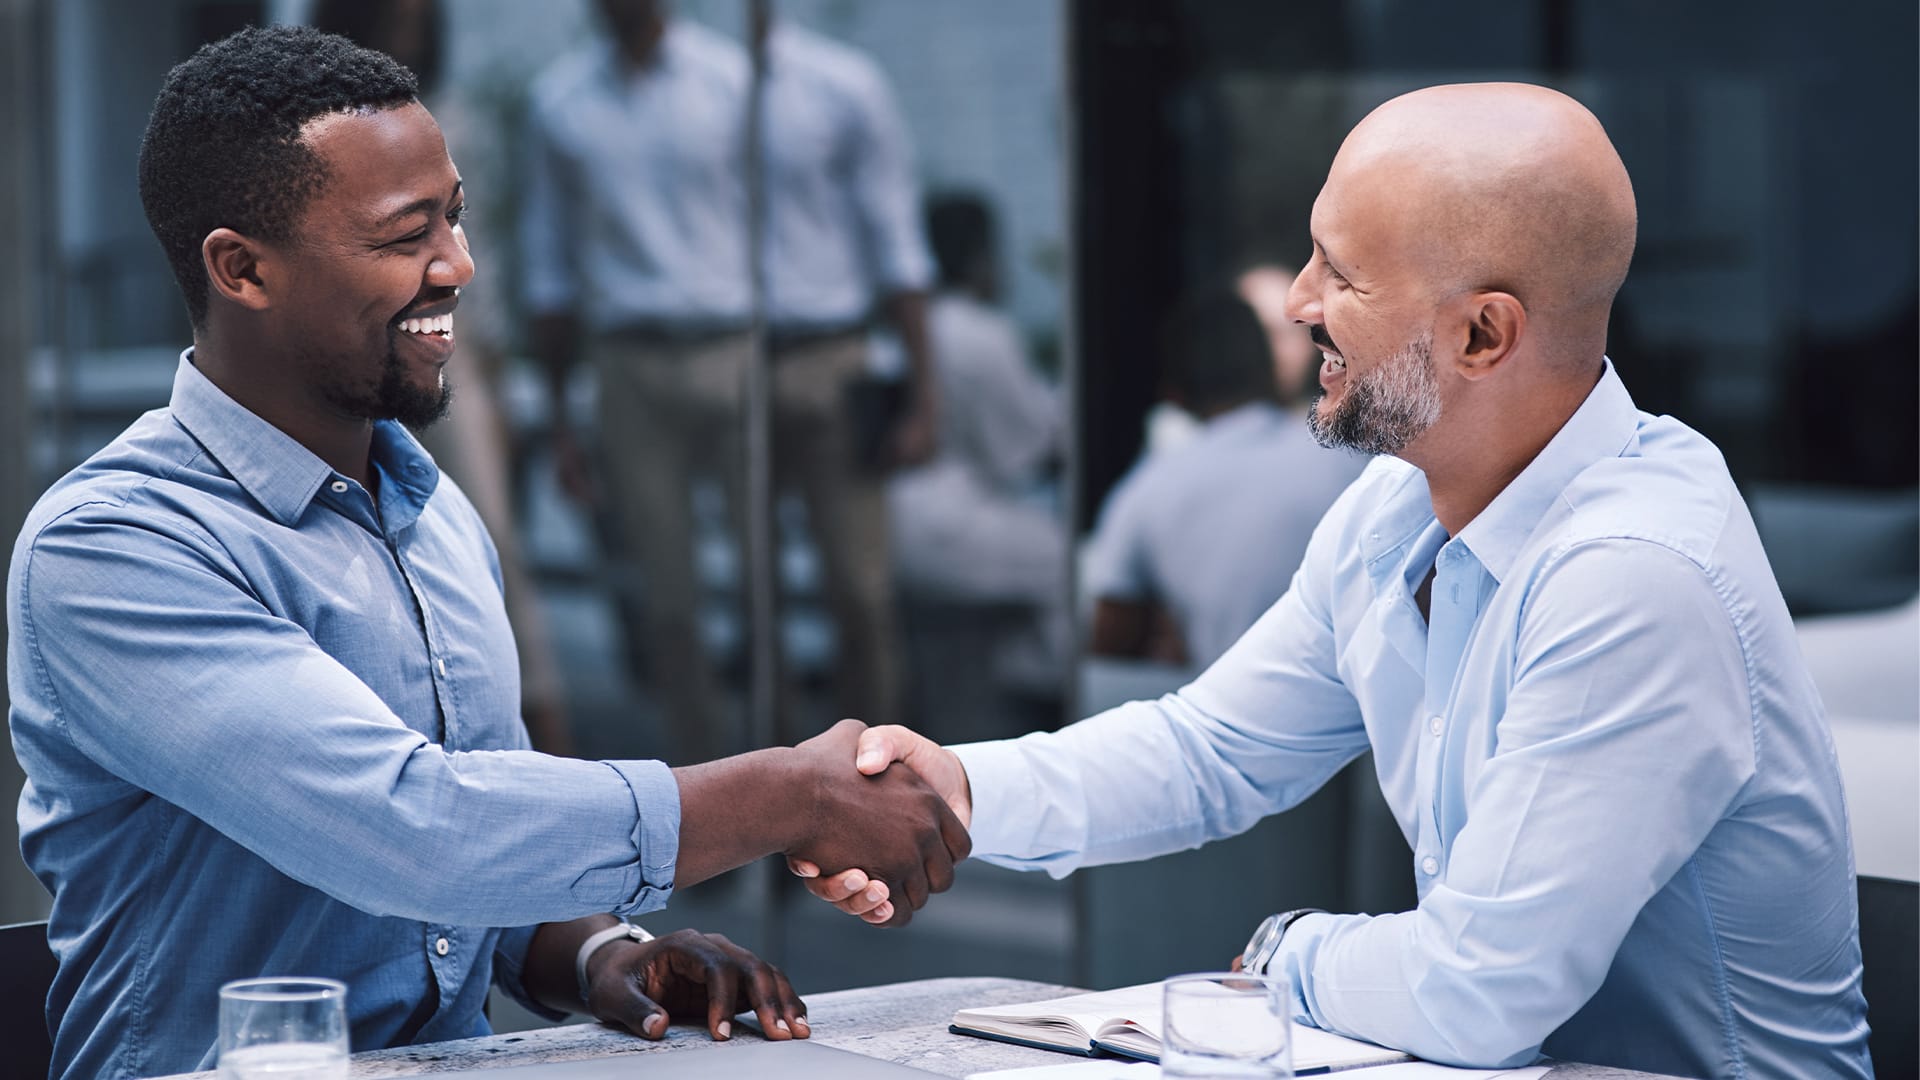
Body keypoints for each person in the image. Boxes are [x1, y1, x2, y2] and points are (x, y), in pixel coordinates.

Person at [797, 83, 1872, 1079]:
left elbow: (1475, 992)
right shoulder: (1397, 504)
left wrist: (1282, 952)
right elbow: (1208, 751)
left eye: (1341, 273)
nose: (1300, 304)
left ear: (1483, 333)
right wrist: (952, 793)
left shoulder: (1633, 580)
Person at [6, 28, 965, 1080]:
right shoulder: (114, 548)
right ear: (243, 269)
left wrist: (603, 954)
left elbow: (478, 888)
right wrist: (792, 791)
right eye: (404, 235)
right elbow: (415, 833)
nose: (458, 267)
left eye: (455, 219)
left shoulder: (433, 511)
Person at [522, 0, 936, 762]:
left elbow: (829, 230)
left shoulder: (734, 83)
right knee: (670, 601)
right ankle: (710, 800)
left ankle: (815, 787)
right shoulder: (561, 101)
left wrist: (906, 375)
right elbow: (549, 261)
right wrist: (560, 417)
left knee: (776, 591)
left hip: (743, 350)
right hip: (631, 357)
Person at [309, 0, 573, 755]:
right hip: (355, 348)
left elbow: (477, 266)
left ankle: (547, 744)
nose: (405, 29)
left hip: (451, 356)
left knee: (489, 542)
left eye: (417, 17)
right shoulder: (312, 126)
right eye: (390, 15)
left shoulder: (451, 112)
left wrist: (487, 371)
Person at [1084, 281, 1367, 667]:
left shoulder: (1146, 490)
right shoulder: (1354, 462)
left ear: (1173, 391)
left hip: (1227, 709)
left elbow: (1111, 649)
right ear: (1271, 369)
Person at [890, 192, 1067, 693]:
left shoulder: (911, 328)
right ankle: (1034, 694)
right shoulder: (980, 332)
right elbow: (1029, 450)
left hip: (896, 517)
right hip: (946, 522)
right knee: (1067, 566)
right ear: (977, 256)